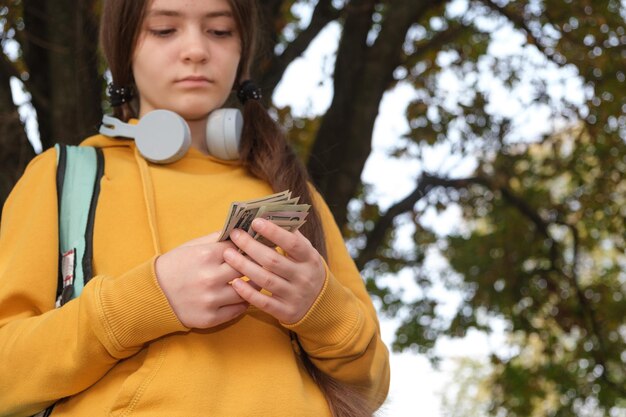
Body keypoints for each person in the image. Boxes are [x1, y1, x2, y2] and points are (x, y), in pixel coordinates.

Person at [0, 0, 390, 416]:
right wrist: (146, 301)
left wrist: (321, 310)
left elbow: (373, 383)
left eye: (220, 31)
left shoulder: (293, 191)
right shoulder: (64, 176)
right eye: (165, 30)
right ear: (124, 48)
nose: (196, 50)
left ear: (243, 54)